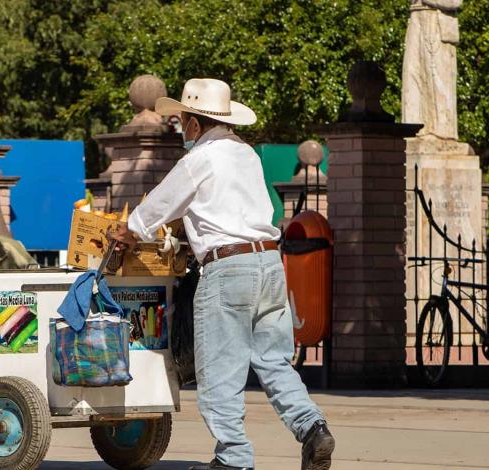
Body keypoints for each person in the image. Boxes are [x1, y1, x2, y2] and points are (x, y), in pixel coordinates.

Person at [111, 78, 334, 470]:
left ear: (196, 124)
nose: (180, 129)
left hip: (228, 270)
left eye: (182, 122)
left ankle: (232, 458)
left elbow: (157, 207)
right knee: (274, 361)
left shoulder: (199, 159)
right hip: (268, 263)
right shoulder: (246, 154)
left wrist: (127, 231)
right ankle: (313, 427)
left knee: (218, 371)